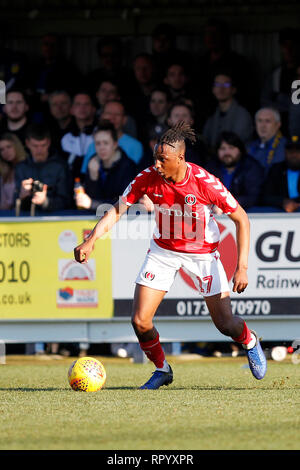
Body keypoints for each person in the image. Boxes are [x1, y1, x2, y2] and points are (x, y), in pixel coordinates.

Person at [74, 121, 267, 389]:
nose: (157, 165)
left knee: (225, 325)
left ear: (181, 158)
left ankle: (250, 341)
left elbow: (242, 219)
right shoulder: (147, 177)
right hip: (163, 251)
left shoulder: (205, 182)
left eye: (163, 160)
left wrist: (242, 267)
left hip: (203, 254)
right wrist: (91, 240)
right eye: (155, 158)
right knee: (140, 320)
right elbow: (117, 209)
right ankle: (162, 369)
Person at [74, 121, 137, 211]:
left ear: (115, 144)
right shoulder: (93, 162)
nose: (101, 148)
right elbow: (91, 198)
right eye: (98, 143)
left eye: (106, 143)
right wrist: (93, 178)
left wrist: (92, 204)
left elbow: (125, 204)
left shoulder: (128, 167)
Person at [15, 123, 70, 213]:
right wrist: (22, 196)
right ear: (27, 143)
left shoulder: (61, 167)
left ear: (48, 143)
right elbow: (14, 203)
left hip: (55, 219)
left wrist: (45, 201)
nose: (39, 150)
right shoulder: (21, 167)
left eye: (43, 145)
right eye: (35, 146)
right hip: (26, 219)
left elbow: (67, 201)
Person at [205, 131, 265, 210]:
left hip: (245, 214)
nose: (227, 152)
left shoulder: (251, 167)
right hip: (214, 214)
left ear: (240, 150)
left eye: (231, 148)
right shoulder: (211, 168)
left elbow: (254, 197)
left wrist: (227, 204)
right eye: (223, 148)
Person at [81, 100, 143, 173]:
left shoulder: (135, 146)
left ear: (124, 119)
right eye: (109, 113)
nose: (112, 118)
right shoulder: (93, 145)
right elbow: (84, 175)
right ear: (102, 116)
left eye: (117, 114)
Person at [202, 72, 253, 149]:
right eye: (217, 84)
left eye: (226, 85)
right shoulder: (212, 115)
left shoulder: (243, 115)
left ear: (233, 89)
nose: (221, 88)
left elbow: (238, 146)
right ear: (213, 89)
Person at [61, 92, 96, 179]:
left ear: (93, 109)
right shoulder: (65, 137)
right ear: (71, 110)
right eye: (78, 104)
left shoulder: (101, 135)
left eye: (86, 104)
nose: (82, 108)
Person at [261, 135, 300, 212]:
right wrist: (283, 202)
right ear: (285, 152)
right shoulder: (276, 169)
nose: (293, 154)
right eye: (290, 151)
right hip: (280, 211)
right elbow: (265, 196)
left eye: (297, 151)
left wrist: (295, 204)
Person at [247, 107, 286, 176]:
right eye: (260, 121)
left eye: (268, 121)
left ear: (278, 125)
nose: (263, 125)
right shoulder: (250, 146)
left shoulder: (284, 147)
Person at [0, 133, 27, 210]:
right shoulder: (4, 172)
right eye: (2, 149)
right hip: (6, 216)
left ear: (16, 146)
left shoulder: (28, 167)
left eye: (9, 147)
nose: (6, 152)